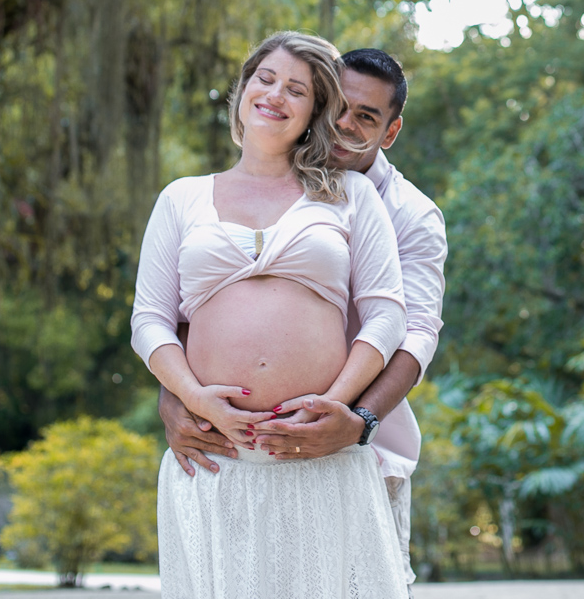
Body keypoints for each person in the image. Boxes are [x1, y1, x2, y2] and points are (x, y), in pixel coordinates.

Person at [158, 48, 447, 596]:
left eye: (366, 116)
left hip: (357, 448)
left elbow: (413, 333)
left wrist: (355, 420)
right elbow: (185, 309)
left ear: (390, 132)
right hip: (234, 448)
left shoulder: (407, 213)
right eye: (338, 104)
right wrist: (178, 398)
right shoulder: (235, 190)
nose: (344, 123)